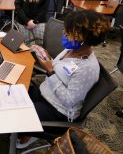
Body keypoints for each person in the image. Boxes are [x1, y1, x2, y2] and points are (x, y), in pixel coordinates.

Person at [16, 10, 110, 149]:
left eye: (68, 33)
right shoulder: (71, 50)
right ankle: (29, 131)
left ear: (82, 39)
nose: (64, 34)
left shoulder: (88, 68)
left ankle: (31, 133)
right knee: (15, 95)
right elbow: (61, 69)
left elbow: (69, 100)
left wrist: (50, 71)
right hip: (47, 93)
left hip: (58, 110)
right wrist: (48, 58)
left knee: (15, 115)